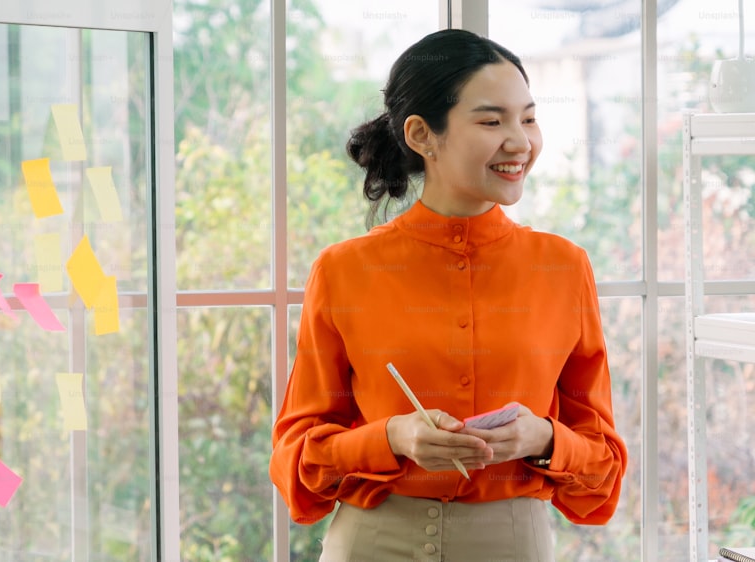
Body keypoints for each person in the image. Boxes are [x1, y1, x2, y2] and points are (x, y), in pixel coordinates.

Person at [269, 29, 628, 561]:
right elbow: (295, 461)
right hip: (371, 543)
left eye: (528, 118)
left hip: (512, 544)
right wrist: (390, 437)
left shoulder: (564, 267)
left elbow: (602, 467)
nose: (520, 142)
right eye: (491, 121)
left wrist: (544, 439)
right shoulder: (344, 270)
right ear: (421, 134)